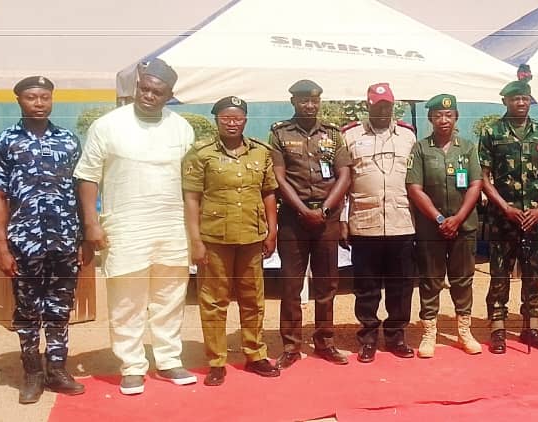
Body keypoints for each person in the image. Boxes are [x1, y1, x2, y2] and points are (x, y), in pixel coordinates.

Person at [74, 58, 198, 395]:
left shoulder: (181, 128)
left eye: (157, 92)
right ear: (137, 86)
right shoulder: (107, 125)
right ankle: (131, 364)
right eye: (144, 88)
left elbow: (191, 183)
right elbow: (87, 176)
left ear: (169, 94)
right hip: (125, 225)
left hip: (172, 227)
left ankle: (169, 359)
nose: (148, 96)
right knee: (127, 298)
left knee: (170, 296)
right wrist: (91, 223)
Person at [0, 76, 86, 404]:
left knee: (59, 307)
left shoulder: (69, 141)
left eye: (44, 97)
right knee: (27, 310)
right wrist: (0, 246)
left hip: (64, 240)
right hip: (24, 242)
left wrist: (84, 239)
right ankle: (32, 372)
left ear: (52, 100)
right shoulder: (4, 142)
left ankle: (56, 368)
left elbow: (83, 191)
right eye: (31, 97)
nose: (39, 103)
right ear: (19, 101)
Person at [182, 96, 280, 385]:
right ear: (216, 120)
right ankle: (216, 361)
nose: (232, 122)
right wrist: (195, 240)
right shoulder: (201, 154)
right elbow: (191, 199)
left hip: (251, 235)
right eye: (226, 117)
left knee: (253, 299)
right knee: (213, 301)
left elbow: (269, 193)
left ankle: (255, 354)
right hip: (214, 238)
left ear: (246, 120)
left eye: (237, 117)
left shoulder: (261, 153)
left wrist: (272, 230)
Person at [269, 79, 350, 367]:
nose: (309, 105)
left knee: (327, 283)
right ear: (293, 102)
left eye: (314, 100)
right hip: (293, 219)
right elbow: (279, 177)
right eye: (303, 100)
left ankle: (325, 341)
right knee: (291, 285)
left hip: (326, 219)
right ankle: (291, 346)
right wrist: (303, 209)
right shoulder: (280, 134)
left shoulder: (333, 134)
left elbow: (344, 175)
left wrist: (325, 210)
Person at [339, 83, 418, 363]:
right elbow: (343, 180)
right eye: (378, 105)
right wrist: (341, 219)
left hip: (401, 222)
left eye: (388, 105)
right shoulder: (349, 135)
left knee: (401, 285)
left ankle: (397, 336)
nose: (384, 110)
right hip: (365, 221)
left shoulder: (408, 136)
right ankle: (369, 338)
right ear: (368, 105)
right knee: (366, 287)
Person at [478, 80, 538, 354]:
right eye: (515, 99)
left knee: (534, 273)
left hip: (535, 216)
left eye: (524, 98)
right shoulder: (491, 132)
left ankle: (531, 327)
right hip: (504, 217)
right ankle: (498, 329)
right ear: (505, 102)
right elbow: (484, 177)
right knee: (500, 273)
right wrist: (504, 207)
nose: (520, 103)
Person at [406, 94, 484, 358]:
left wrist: (458, 218)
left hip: (464, 226)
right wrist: (440, 219)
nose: (443, 120)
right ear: (430, 118)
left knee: (463, 280)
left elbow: (476, 184)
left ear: (456, 117)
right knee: (431, 280)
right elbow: (414, 187)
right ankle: (429, 332)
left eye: (448, 115)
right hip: (431, 228)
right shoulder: (420, 148)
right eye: (438, 115)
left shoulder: (468, 148)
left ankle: (464, 331)